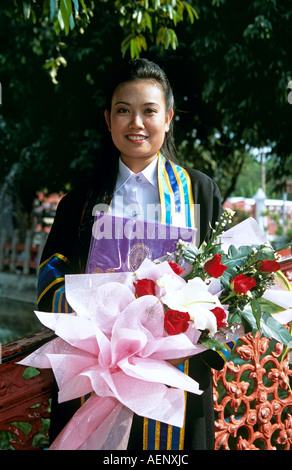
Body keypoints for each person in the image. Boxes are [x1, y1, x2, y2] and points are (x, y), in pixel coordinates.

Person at [37, 58, 232, 450]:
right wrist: (101, 305)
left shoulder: (199, 191)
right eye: (124, 111)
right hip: (100, 370)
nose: (136, 123)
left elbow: (223, 280)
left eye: (149, 111)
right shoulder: (80, 202)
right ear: (108, 119)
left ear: (169, 117)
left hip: (176, 373)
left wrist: (193, 312)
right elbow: (49, 276)